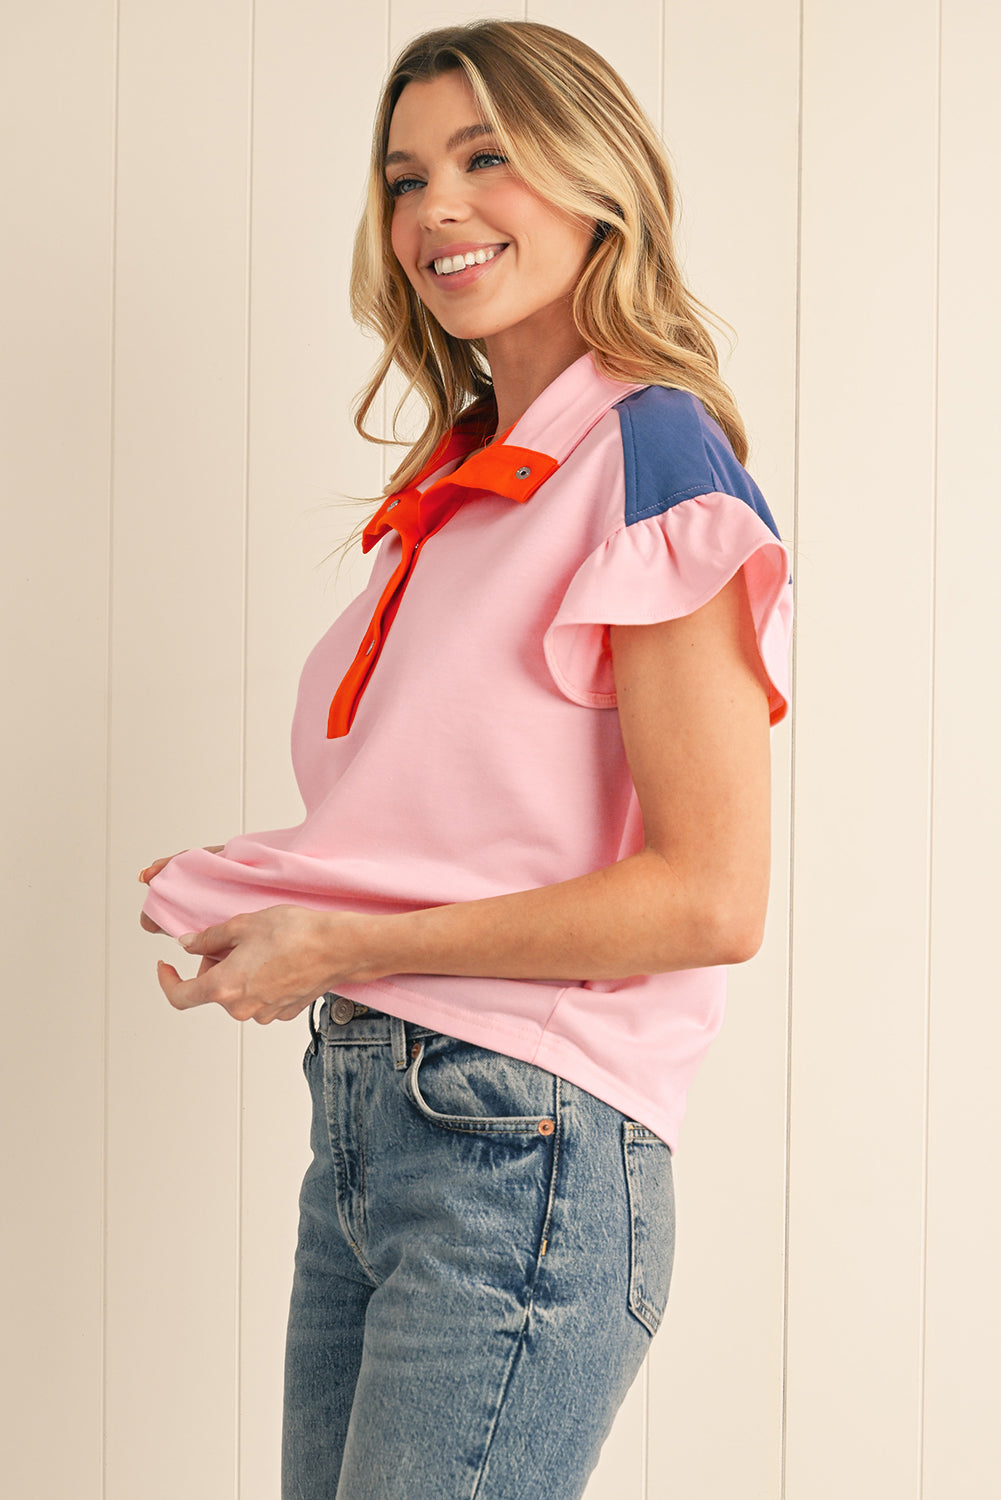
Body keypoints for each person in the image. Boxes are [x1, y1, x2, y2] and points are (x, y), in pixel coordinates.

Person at [139, 20, 792, 1500]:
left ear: (598, 181)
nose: (437, 207)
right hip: (377, 1120)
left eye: (487, 157)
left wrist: (340, 940)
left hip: (519, 1139)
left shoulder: (651, 456)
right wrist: (280, 905)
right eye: (403, 177)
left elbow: (709, 900)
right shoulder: (462, 482)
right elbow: (471, 831)